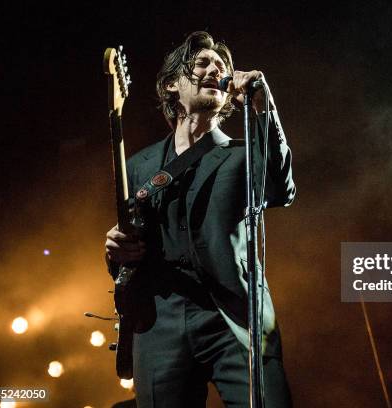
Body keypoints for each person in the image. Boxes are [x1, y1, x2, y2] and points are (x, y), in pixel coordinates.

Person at [104, 31, 295, 407]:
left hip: (234, 315)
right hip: (159, 322)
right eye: (202, 63)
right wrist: (115, 250)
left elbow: (282, 187)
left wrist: (262, 107)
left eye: (221, 65)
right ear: (173, 85)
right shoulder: (138, 166)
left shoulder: (243, 154)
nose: (215, 69)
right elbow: (126, 258)